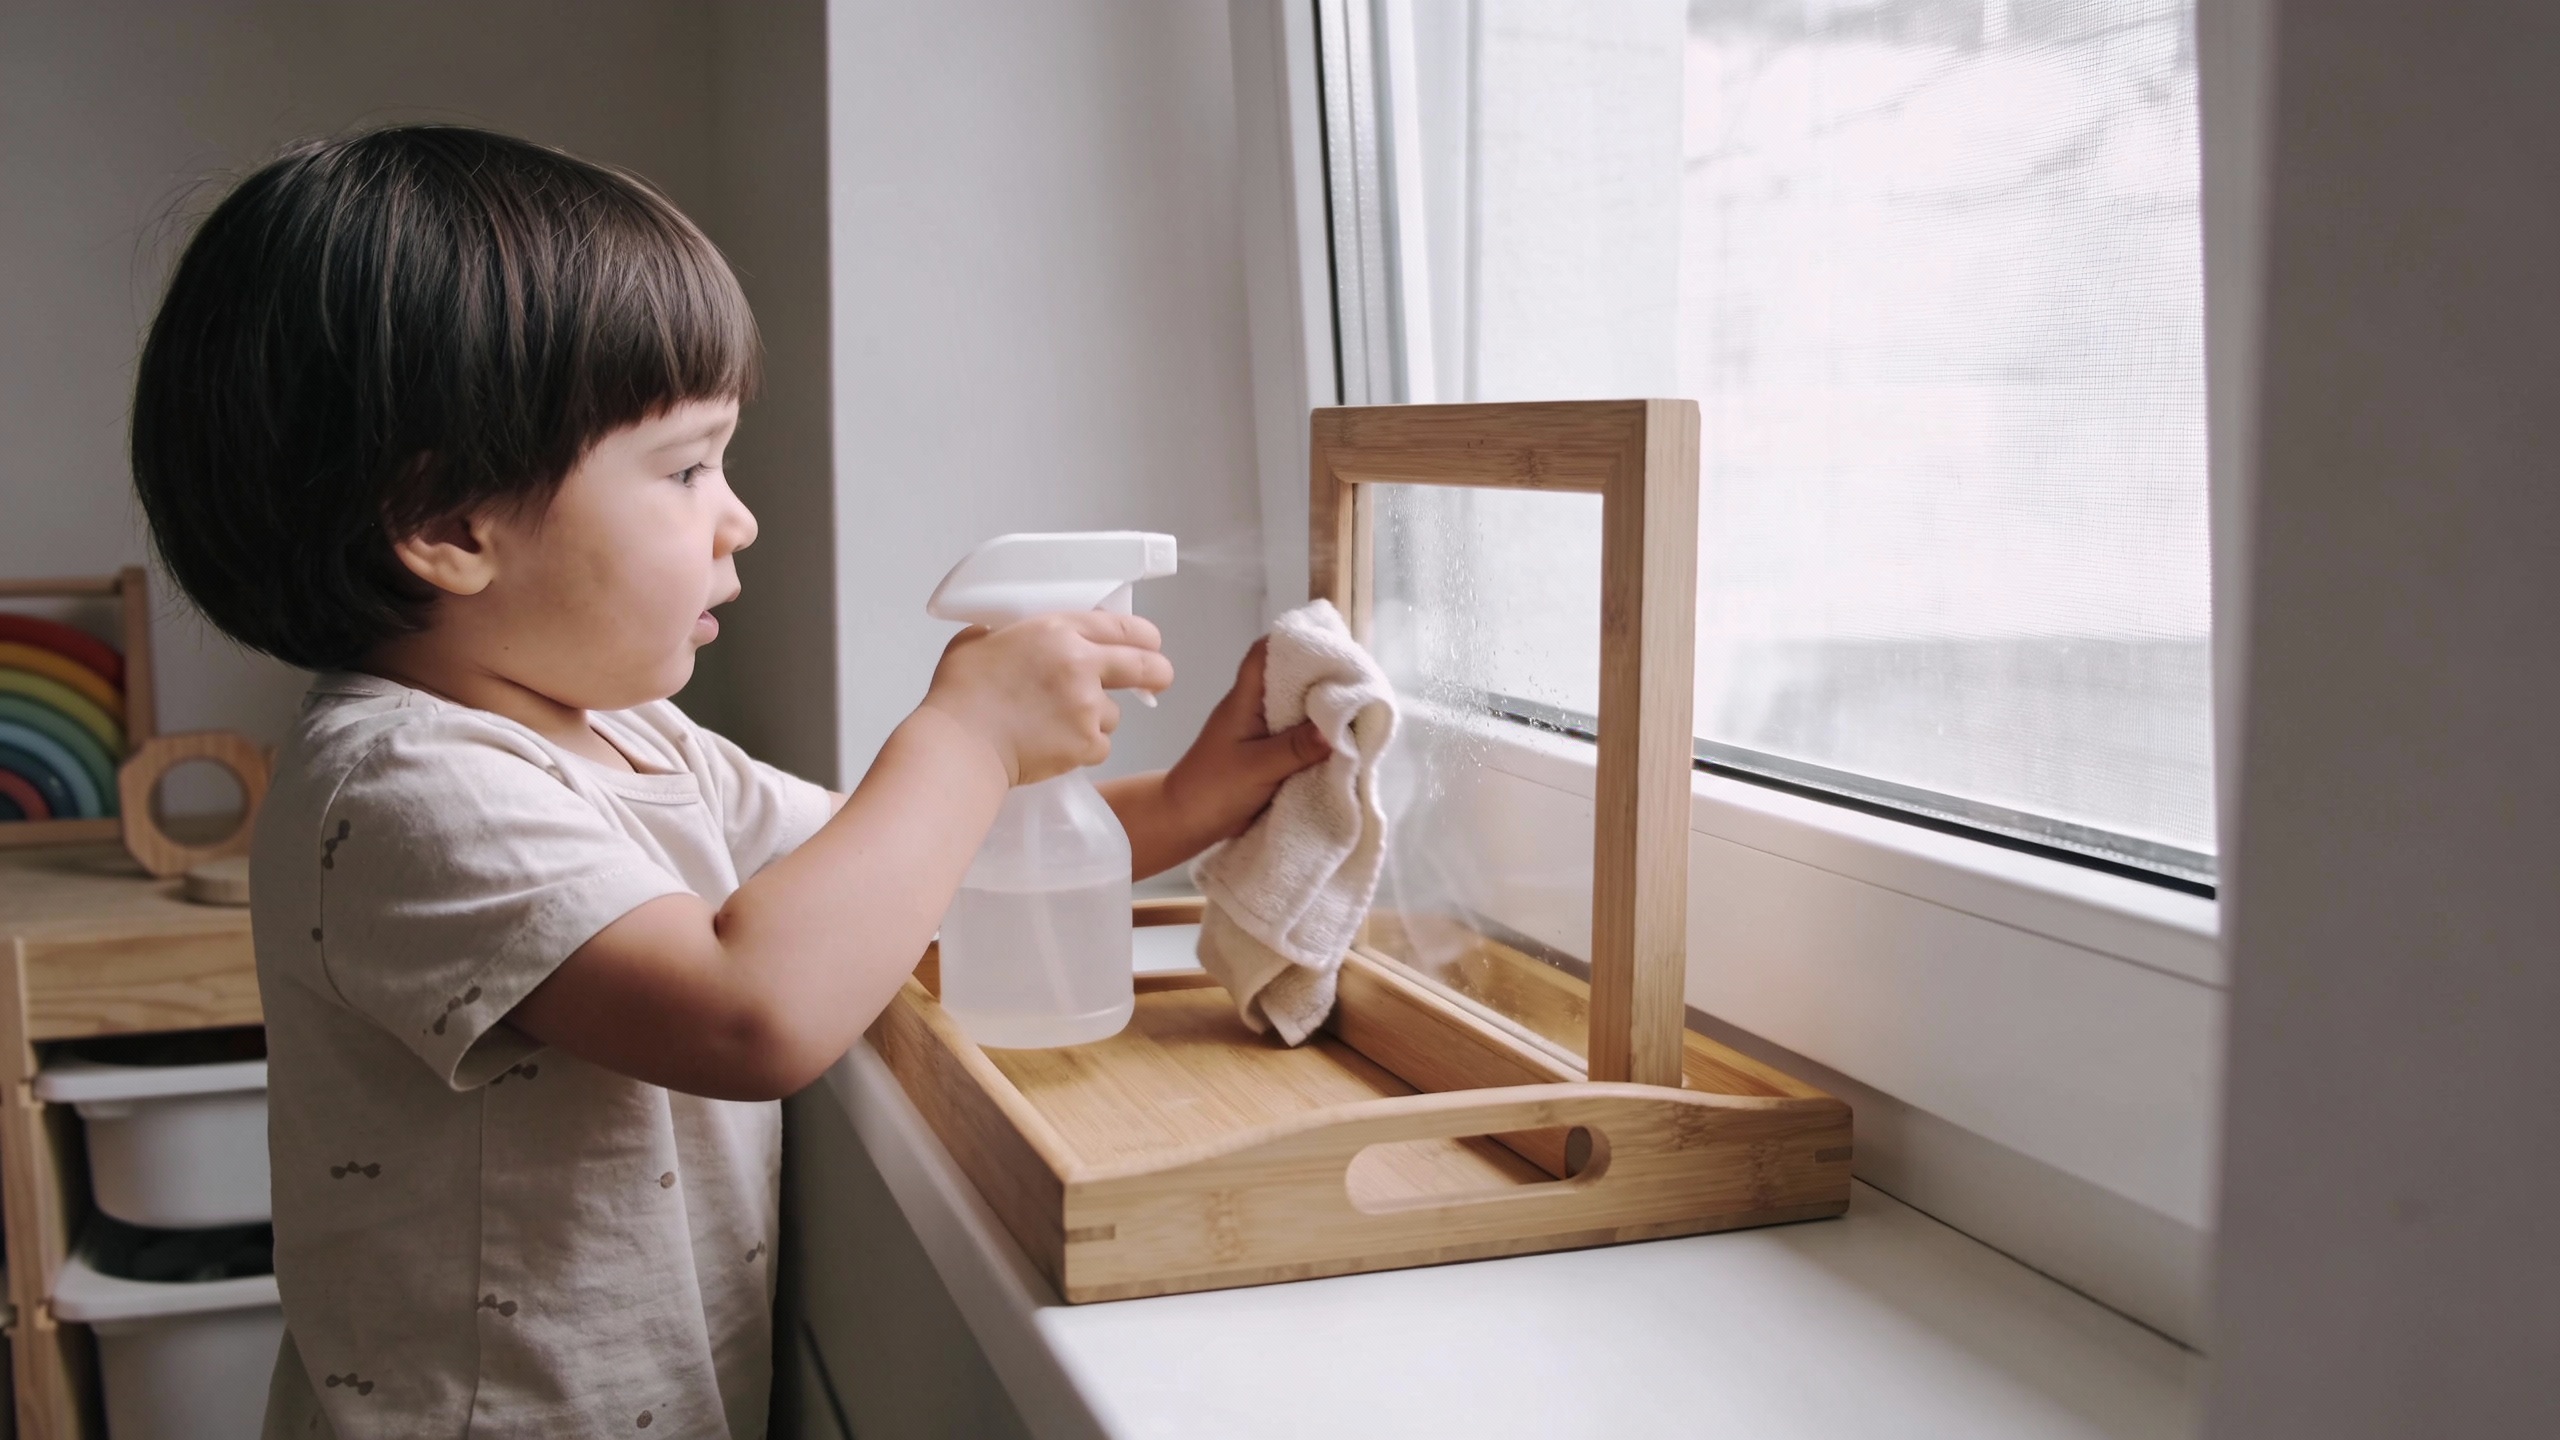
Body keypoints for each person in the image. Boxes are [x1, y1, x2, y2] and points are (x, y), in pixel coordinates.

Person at [128, 124, 1324, 1439]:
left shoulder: (632, 737)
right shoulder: (407, 785)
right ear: (451, 528)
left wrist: (1201, 795)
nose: (737, 515)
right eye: (688, 468)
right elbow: (754, 1011)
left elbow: (904, 878)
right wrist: (968, 735)